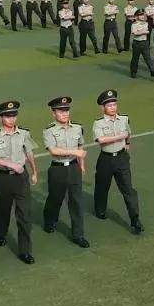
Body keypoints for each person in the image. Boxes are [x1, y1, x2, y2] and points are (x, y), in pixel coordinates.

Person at [0, 101, 38, 265]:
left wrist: (34, 171)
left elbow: (28, 152)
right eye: (7, 116)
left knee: (24, 214)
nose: (11, 119)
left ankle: (25, 251)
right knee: (2, 209)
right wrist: (10, 164)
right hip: (2, 178)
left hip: (21, 178)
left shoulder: (24, 133)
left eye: (13, 115)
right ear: (0, 118)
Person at [92, 89, 144, 235]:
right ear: (103, 108)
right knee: (102, 187)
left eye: (114, 104)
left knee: (128, 189)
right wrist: (119, 137)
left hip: (121, 159)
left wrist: (126, 142)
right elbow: (100, 140)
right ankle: (100, 210)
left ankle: (135, 220)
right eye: (109, 105)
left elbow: (128, 133)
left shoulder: (124, 119)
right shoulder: (98, 123)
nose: (113, 107)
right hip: (106, 159)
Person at [42, 97, 89, 248]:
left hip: (74, 167)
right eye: (60, 111)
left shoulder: (77, 128)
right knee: (55, 199)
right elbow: (53, 150)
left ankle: (78, 235)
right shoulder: (49, 130)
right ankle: (50, 221)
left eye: (66, 110)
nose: (64, 114)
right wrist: (75, 152)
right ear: (54, 113)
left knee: (76, 201)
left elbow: (81, 146)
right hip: (57, 169)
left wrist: (81, 165)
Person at [129, 10, 154, 78]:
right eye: (140, 15)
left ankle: (153, 71)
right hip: (136, 43)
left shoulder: (146, 23)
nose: (142, 16)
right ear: (137, 16)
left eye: (143, 15)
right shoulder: (134, 24)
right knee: (135, 58)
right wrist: (143, 32)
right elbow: (135, 33)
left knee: (148, 58)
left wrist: (140, 32)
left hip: (144, 42)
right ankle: (133, 72)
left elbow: (147, 32)